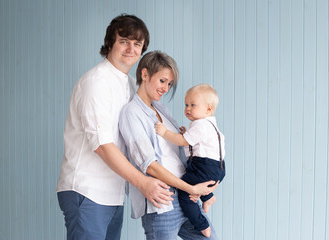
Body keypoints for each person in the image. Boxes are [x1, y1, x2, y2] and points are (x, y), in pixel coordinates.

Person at [56, 14, 174, 240]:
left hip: (114, 194)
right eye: (124, 41)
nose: (131, 49)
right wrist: (143, 182)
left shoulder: (131, 85)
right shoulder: (96, 81)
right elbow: (101, 144)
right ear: (110, 42)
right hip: (87, 191)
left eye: (137, 44)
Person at [119, 51, 219, 240]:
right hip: (163, 200)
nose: (166, 88)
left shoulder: (161, 109)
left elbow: (178, 148)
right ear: (145, 74)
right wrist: (190, 189)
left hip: (186, 192)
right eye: (162, 81)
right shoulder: (131, 113)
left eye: (169, 84)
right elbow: (149, 165)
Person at [155, 83, 226, 237]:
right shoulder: (210, 126)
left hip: (205, 166)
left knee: (184, 191)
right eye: (186, 104)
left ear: (208, 109)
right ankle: (208, 197)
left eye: (193, 105)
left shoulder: (200, 125)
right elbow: (194, 149)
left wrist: (165, 132)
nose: (187, 108)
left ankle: (202, 224)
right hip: (217, 167)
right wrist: (187, 134)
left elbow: (181, 141)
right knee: (195, 178)